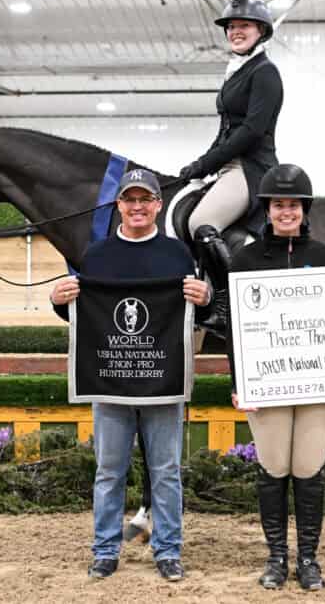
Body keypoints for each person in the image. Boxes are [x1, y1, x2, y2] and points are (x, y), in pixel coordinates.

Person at [50, 168, 211, 583]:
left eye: (145, 199)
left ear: (158, 204)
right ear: (118, 205)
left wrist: (205, 298)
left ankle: (168, 550)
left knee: (167, 471)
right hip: (112, 381)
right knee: (109, 471)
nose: (137, 206)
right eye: (129, 199)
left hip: (162, 383)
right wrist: (57, 300)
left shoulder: (179, 255)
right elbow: (85, 316)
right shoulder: (97, 255)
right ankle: (105, 550)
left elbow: (197, 312)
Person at [227, 164, 325, 591]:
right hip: (268, 385)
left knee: (308, 467)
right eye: (278, 204)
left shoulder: (324, 257)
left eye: (293, 204)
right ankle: (277, 557)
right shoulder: (244, 261)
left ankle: (309, 558)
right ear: (268, 210)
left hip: (316, 386)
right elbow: (234, 328)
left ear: (304, 209)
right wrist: (239, 382)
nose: (286, 211)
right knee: (274, 467)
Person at [179, 0, 283, 331]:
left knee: (201, 222)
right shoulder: (237, 70)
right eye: (232, 26)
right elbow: (226, 130)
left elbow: (251, 131)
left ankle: (225, 304)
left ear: (261, 30)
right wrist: (200, 165)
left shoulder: (265, 72)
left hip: (252, 168)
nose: (236, 31)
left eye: (245, 26)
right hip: (230, 164)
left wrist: (207, 162)